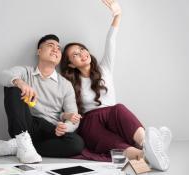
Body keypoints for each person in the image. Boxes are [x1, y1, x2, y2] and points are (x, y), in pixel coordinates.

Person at [60, 0, 172, 171]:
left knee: (119, 108)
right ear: (71, 65)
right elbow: (64, 109)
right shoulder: (69, 83)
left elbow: (111, 39)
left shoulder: (105, 68)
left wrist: (118, 15)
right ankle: (146, 154)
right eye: (75, 54)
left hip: (113, 116)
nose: (82, 54)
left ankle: (147, 143)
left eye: (82, 49)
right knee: (116, 144)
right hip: (91, 123)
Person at [0, 34, 84, 163]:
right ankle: (22, 139)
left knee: (76, 143)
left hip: (51, 129)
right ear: (39, 51)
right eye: (50, 46)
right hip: (27, 124)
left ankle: (18, 147)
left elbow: (74, 117)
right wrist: (20, 82)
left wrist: (65, 128)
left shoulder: (66, 85)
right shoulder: (26, 72)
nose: (56, 49)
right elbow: (4, 76)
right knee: (11, 85)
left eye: (58, 48)